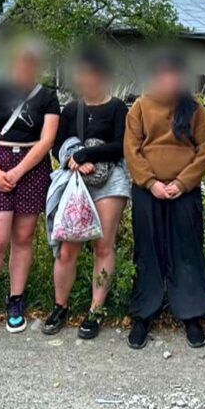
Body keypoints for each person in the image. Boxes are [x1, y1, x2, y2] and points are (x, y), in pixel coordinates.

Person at [124, 52, 205, 349]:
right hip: (148, 192)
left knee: (186, 251)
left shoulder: (193, 109)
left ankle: (191, 314)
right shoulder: (140, 107)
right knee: (147, 250)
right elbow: (132, 149)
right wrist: (151, 183)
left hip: (183, 193)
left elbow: (204, 149)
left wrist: (181, 183)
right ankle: (143, 314)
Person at [42, 46, 130, 339]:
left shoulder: (118, 107)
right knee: (68, 247)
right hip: (76, 183)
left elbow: (121, 145)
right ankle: (60, 306)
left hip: (111, 181)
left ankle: (95, 310)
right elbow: (57, 146)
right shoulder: (71, 109)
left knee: (104, 246)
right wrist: (72, 160)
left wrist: (87, 154)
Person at [0, 40, 60, 336]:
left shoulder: (48, 96)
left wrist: (20, 169)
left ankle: (15, 300)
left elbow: (47, 140)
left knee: (23, 237)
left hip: (33, 165)